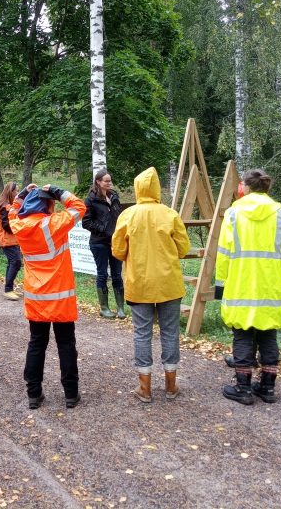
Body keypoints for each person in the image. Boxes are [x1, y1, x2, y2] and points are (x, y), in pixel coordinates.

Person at [215, 168, 281, 405]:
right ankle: (267, 388)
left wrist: (220, 285)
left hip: (240, 286)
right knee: (268, 334)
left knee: (242, 335)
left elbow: (223, 254)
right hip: (271, 288)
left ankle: (243, 388)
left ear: (245, 187)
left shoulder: (233, 214)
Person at [112, 167, 189, 403]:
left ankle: (144, 388)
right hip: (169, 284)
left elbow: (117, 251)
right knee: (170, 333)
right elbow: (183, 249)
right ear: (156, 189)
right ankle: (170, 386)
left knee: (142, 334)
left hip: (140, 284)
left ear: (137, 189)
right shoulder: (170, 214)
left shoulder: (127, 215)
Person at [9, 183, 86, 409]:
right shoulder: (54, 223)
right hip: (60, 297)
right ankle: (71, 395)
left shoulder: (19, 225)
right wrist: (57, 189)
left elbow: (12, 210)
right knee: (66, 344)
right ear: (48, 204)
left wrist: (23, 193)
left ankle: (34, 394)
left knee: (36, 344)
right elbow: (79, 206)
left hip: (36, 297)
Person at [82, 168, 125, 319]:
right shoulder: (90, 200)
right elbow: (86, 223)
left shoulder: (114, 196)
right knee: (102, 274)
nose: (109, 183)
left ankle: (120, 308)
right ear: (98, 182)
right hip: (99, 243)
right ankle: (104, 308)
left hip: (115, 242)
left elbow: (118, 215)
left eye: (110, 180)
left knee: (117, 274)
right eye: (106, 181)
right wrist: (104, 230)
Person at [0, 181, 23, 301]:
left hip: (11, 239)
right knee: (16, 262)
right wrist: (20, 227)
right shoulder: (5, 206)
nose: (17, 193)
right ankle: (8, 289)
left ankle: (9, 288)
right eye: (16, 190)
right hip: (7, 239)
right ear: (10, 192)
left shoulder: (8, 205)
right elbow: (7, 225)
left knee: (12, 263)